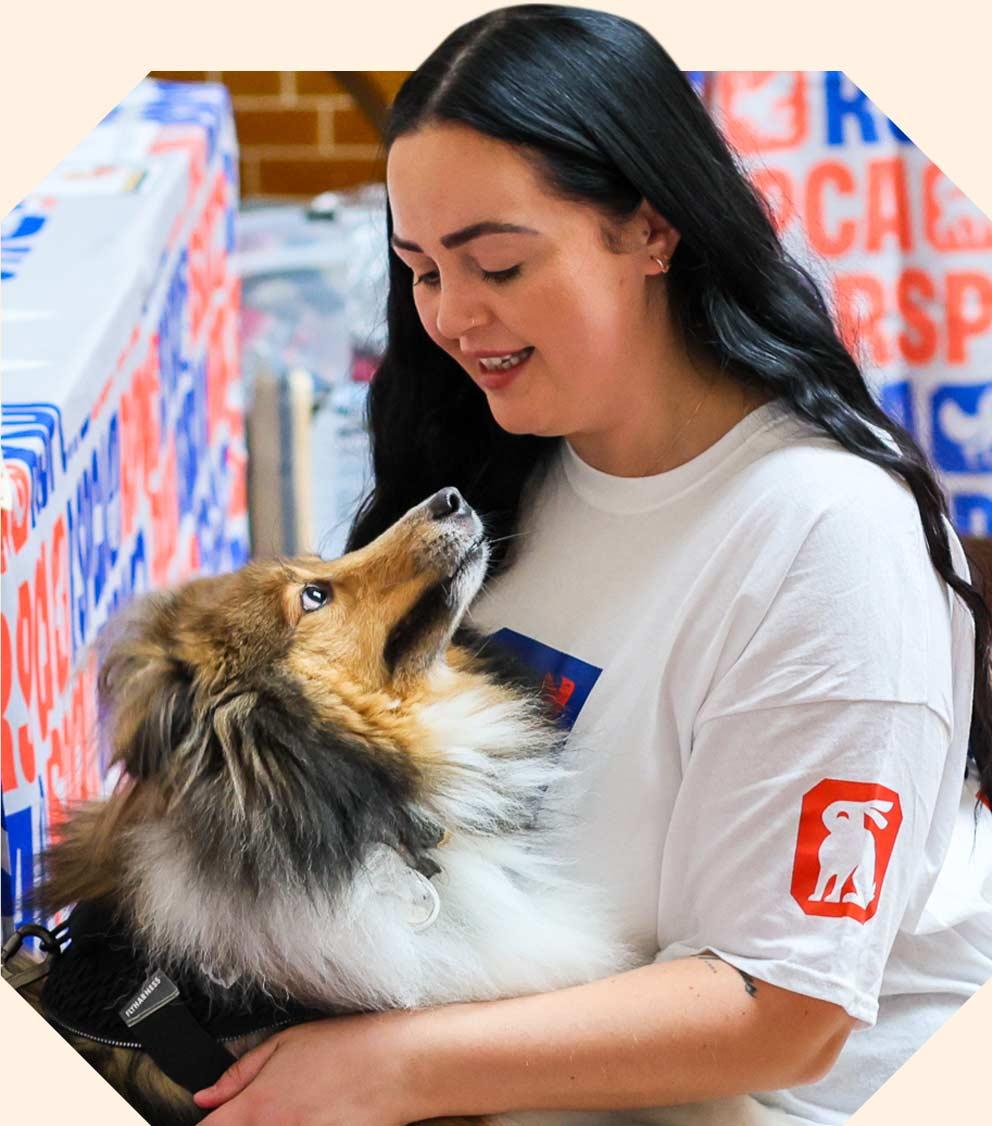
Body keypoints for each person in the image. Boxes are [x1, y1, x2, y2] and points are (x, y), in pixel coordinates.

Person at [194, 7, 992, 1124]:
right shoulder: (507, 473)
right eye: (419, 270)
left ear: (651, 229)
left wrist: (393, 1064)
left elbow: (786, 1007)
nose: (453, 318)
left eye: (499, 264)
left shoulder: (829, 537)